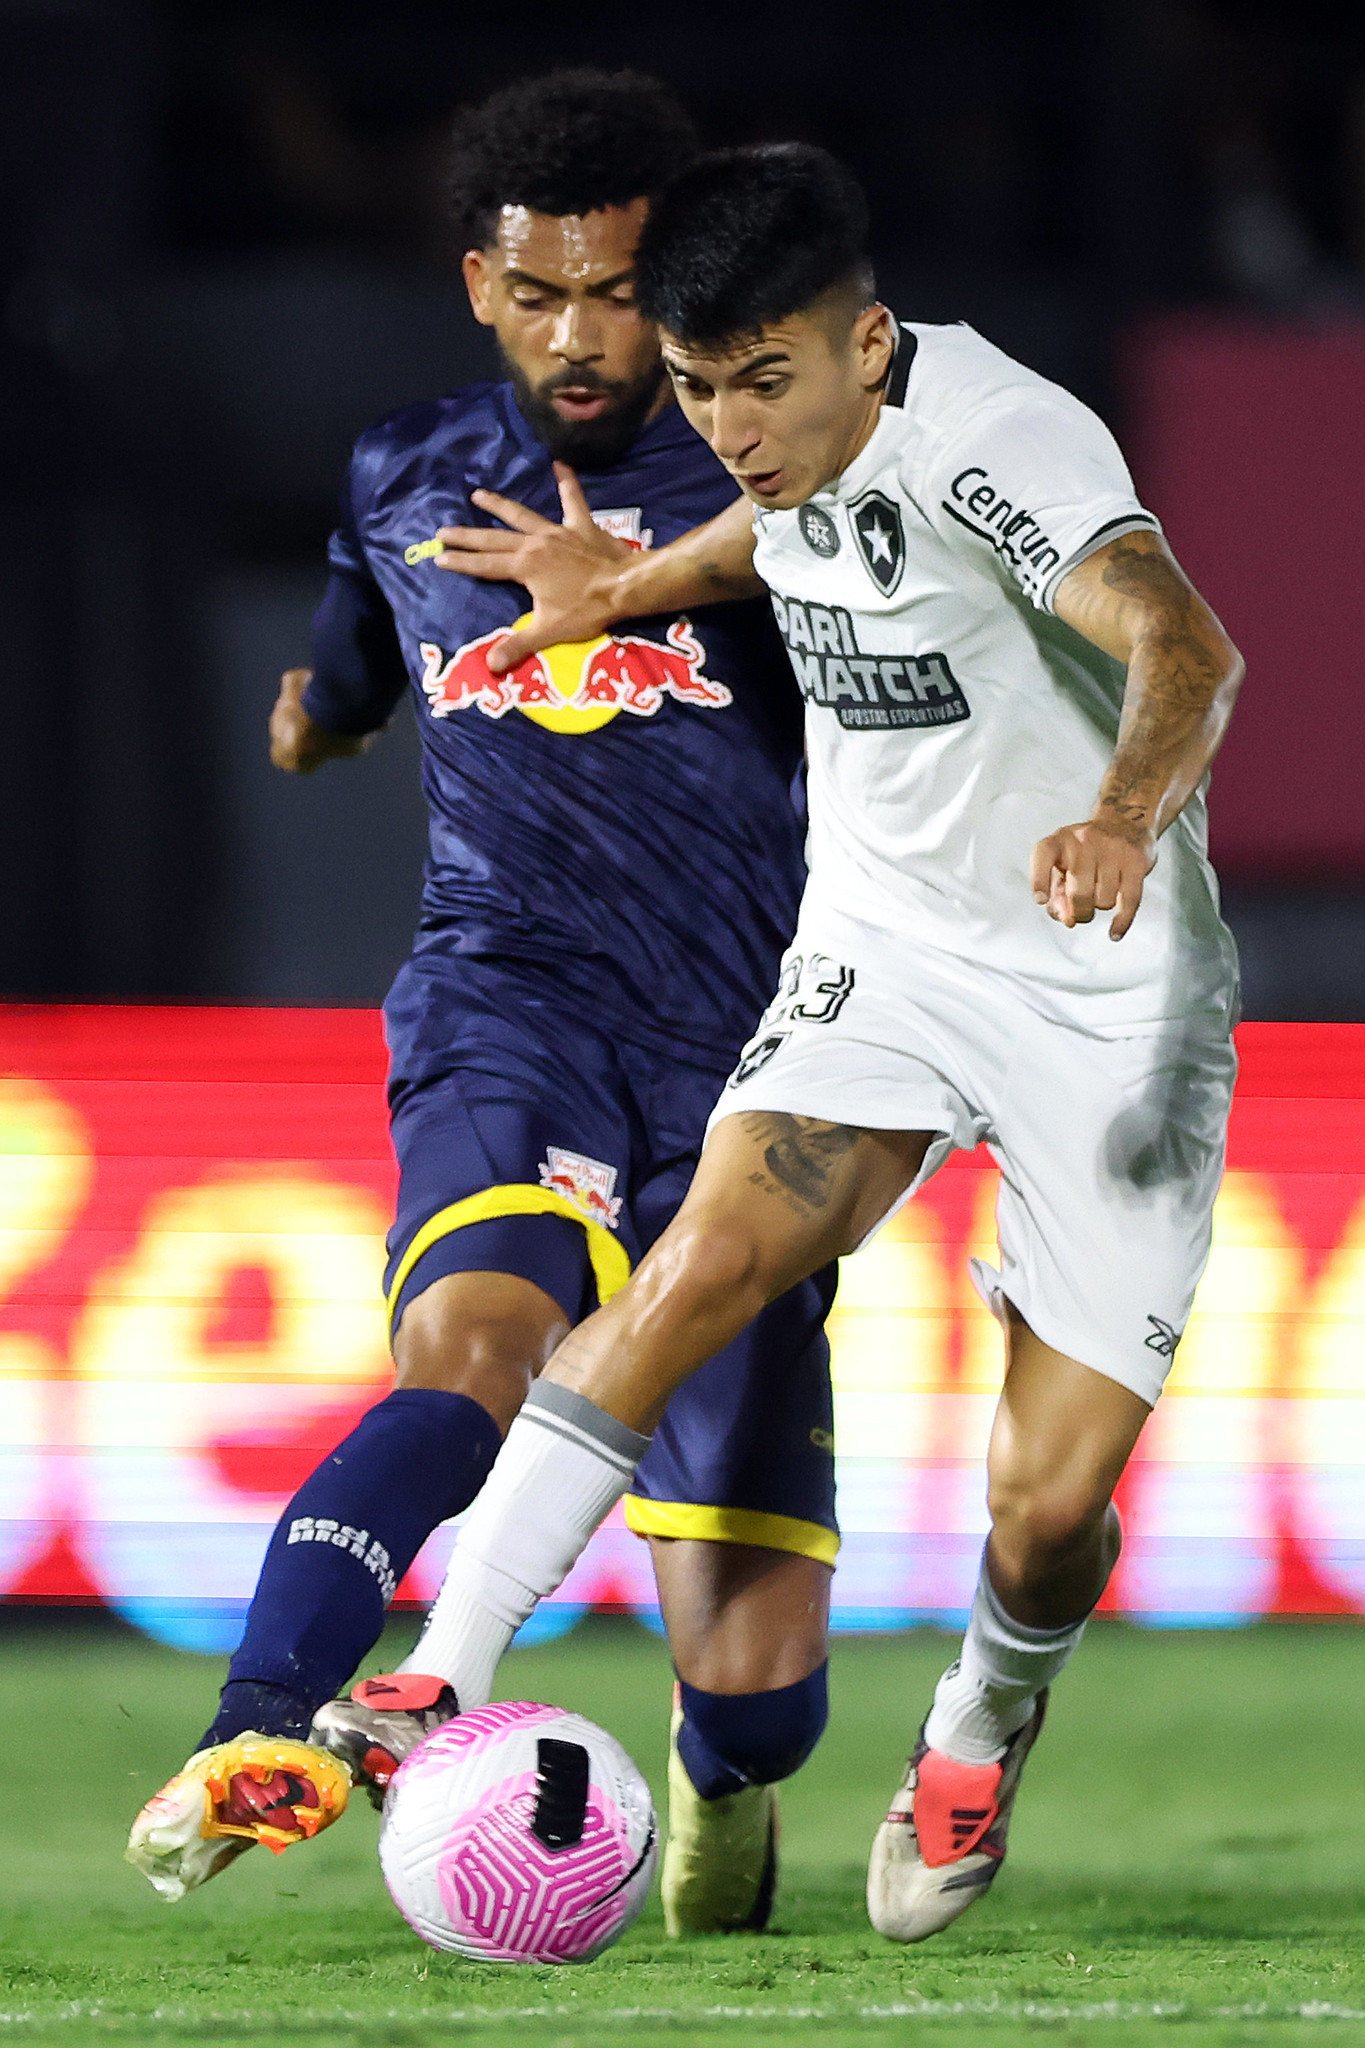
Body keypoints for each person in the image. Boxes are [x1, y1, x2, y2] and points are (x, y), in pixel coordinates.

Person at [348, 141, 1244, 1945]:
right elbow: (783, 524)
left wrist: (1124, 816)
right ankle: (437, 1669)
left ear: (872, 344)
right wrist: (629, 583)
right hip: (883, 952)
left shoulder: (1003, 440)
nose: (736, 426)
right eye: (700, 390)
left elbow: (1182, 640)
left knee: (1043, 1513)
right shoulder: (786, 445)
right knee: (698, 1270)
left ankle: (983, 1719)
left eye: (769, 383)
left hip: (1100, 978)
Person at [126, 79, 843, 1940]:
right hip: (505, 1000)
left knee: (762, 1696)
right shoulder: (401, 469)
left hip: (756, 1056)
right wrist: (323, 712)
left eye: (618, 292)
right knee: (471, 1347)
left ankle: (713, 1779)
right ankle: (257, 1728)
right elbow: (355, 648)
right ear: (479, 284)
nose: (580, 337)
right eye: (541, 295)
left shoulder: (782, 475)